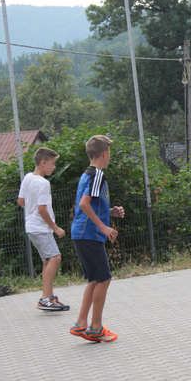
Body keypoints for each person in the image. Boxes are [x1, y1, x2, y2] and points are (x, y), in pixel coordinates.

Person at [69, 135, 125, 342]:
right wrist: (103, 227)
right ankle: (96, 328)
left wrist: (110, 212)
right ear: (104, 153)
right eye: (109, 152)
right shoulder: (98, 175)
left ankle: (81, 324)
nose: (110, 156)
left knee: (95, 279)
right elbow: (84, 204)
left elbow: (89, 206)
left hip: (82, 233)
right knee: (104, 278)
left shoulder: (88, 174)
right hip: (90, 234)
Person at [17, 147, 69, 311]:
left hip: (31, 227)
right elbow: (42, 209)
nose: (54, 167)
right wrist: (56, 228)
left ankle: (49, 297)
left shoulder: (28, 178)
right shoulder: (43, 183)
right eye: (52, 163)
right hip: (41, 228)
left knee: (48, 261)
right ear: (43, 162)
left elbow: (21, 201)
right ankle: (45, 299)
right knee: (55, 258)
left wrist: (31, 206)